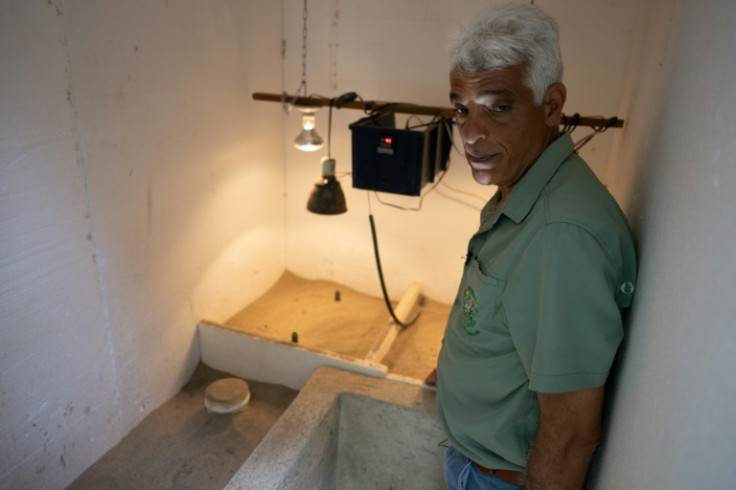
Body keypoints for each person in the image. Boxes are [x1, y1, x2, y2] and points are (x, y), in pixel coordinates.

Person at [427, 4, 637, 489]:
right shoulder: (521, 187)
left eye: (499, 107)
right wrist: (461, 371)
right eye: (462, 108)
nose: (472, 135)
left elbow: (570, 436)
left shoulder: (558, 235)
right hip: (475, 457)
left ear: (550, 104)